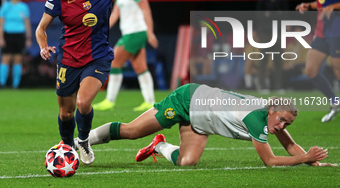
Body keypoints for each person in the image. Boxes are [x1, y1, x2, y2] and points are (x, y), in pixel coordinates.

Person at [35, 0, 202, 165]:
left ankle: (83, 140)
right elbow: (41, 28)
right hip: (68, 59)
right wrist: (43, 46)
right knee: (66, 113)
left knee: (83, 102)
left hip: (98, 57)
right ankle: (67, 147)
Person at [81, 83, 336, 167]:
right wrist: (305, 158)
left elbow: (289, 144)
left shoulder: (270, 119)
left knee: (187, 162)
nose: (282, 126)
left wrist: (313, 159)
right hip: (187, 101)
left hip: (201, 123)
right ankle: (79, 141)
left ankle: (159, 146)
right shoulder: (256, 117)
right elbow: (270, 161)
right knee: (131, 131)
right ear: (271, 110)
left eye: (287, 122)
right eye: (281, 119)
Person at [93, 0, 158, 112]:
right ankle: (150, 101)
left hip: (136, 32)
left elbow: (146, 10)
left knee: (114, 61)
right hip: (131, 32)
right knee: (140, 67)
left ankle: (110, 100)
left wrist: (150, 32)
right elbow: (116, 13)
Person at [296, 0, 340, 122]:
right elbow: (323, 1)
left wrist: (334, 7)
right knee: (311, 70)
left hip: (337, 29)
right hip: (322, 31)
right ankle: (334, 101)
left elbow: (332, 4)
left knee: (338, 71)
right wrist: (309, 5)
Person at [256, 0, 288, 92]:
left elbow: (285, 18)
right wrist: (276, 15)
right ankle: (262, 86)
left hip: (278, 34)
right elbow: (259, 18)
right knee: (263, 61)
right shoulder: (262, 3)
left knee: (278, 61)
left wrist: (269, 15)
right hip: (265, 35)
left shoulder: (282, 2)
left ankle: (278, 86)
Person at [0, 0, 31, 88]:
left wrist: (28, 38)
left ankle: (15, 84)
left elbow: (27, 24)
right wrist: (1, 38)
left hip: (19, 35)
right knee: (6, 58)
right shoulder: (5, 6)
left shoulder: (23, 7)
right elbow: (1, 23)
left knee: (18, 59)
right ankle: (2, 83)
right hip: (8, 35)